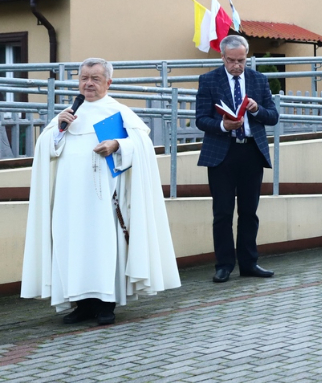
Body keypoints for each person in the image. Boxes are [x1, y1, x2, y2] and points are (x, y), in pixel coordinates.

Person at [22, 58, 180, 324]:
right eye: (84, 78)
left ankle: (106, 304)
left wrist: (117, 145)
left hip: (104, 198)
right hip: (69, 199)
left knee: (104, 246)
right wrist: (57, 132)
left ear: (109, 82)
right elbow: (45, 149)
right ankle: (81, 304)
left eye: (95, 78)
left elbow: (142, 144)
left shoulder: (119, 112)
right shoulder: (68, 113)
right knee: (72, 247)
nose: (88, 83)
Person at [196, 35, 280, 282]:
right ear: (222, 57)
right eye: (232, 60)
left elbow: (273, 116)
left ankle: (249, 263)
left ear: (247, 57)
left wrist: (256, 110)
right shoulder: (209, 80)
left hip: (251, 152)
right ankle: (223, 265)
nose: (237, 66)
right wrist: (222, 125)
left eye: (241, 60)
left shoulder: (259, 80)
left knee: (249, 212)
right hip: (221, 153)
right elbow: (201, 119)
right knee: (222, 212)